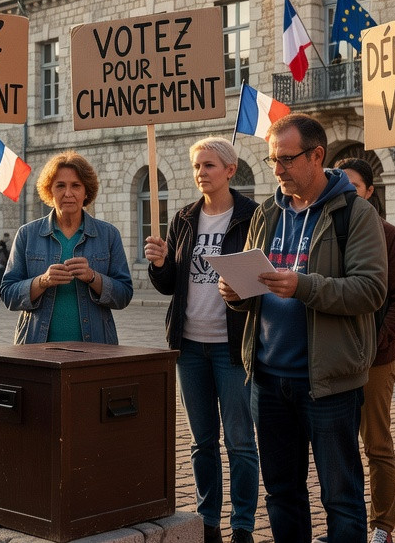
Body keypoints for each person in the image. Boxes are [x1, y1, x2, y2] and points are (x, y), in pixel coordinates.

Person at [219, 113, 387, 543]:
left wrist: (304, 286)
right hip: (268, 379)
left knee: (341, 498)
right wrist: (237, 292)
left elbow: (370, 290)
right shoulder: (269, 211)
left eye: (286, 160)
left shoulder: (356, 213)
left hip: (327, 382)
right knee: (281, 493)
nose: (276, 170)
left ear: (316, 156)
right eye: (274, 159)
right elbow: (256, 279)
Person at [145, 137, 259, 543]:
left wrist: (243, 289)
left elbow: (262, 280)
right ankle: (208, 519)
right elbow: (169, 285)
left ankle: (242, 524)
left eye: (209, 165)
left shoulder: (252, 216)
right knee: (202, 441)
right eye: (197, 166)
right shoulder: (184, 217)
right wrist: (159, 263)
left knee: (241, 440)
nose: (201, 173)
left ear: (230, 170)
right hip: (189, 345)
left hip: (232, 346)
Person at [337, 158, 395, 543]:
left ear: (369, 190)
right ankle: (346, 524)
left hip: (376, 360)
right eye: (339, 184)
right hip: (333, 359)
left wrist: (376, 343)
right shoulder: (329, 231)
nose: (345, 191)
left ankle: (381, 525)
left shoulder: (390, 235)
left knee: (377, 444)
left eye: (352, 185)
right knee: (337, 445)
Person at [1, 151, 133, 344]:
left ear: (86, 191)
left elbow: (124, 296)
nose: (68, 193)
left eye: (76, 186)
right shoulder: (27, 234)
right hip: (36, 347)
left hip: (96, 348)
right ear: (49, 190)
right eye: (60, 186)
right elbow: (8, 294)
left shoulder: (108, 234)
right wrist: (42, 281)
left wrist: (93, 277)